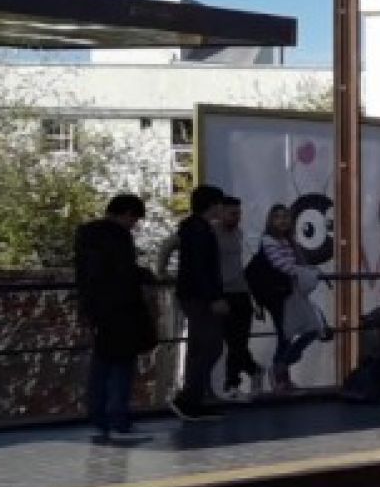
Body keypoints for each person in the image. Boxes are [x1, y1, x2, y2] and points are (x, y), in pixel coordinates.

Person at [73, 193, 156, 445]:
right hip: (122, 310)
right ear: (127, 214)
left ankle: (98, 419)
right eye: (135, 219)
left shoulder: (86, 234)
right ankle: (119, 419)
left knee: (101, 365)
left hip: (98, 309)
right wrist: (145, 275)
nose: (135, 225)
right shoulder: (119, 236)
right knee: (122, 366)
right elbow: (124, 272)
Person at [162, 184, 229, 421]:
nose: (223, 209)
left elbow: (172, 250)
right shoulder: (201, 231)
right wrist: (214, 298)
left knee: (201, 346)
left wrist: (163, 271)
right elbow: (202, 269)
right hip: (200, 298)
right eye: (220, 204)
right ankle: (189, 399)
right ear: (212, 205)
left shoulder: (191, 228)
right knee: (210, 346)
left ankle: (192, 398)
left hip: (191, 295)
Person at [251, 203, 324, 390]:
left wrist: (305, 271)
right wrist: (307, 273)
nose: (282, 220)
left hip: (290, 293)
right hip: (277, 295)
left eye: (285, 217)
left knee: (309, 329)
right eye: (277, 217)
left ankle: (281, 368)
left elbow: (293, 266)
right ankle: (279, 372)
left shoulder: (288, 241)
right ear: (271, 220)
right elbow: (281, 266)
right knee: (287, 334)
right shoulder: (269, 241)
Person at [216, 197, 264, 400]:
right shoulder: (211, 232)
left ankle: (232, 383)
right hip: (222, 292)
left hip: (241, 292)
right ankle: (253, 370)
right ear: (221, 212)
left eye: (238, 214)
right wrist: (162, 269)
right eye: (232, 213)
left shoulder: (238, 233)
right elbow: (172, 243)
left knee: (239, 341)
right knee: (232, 341)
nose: (236, 218)